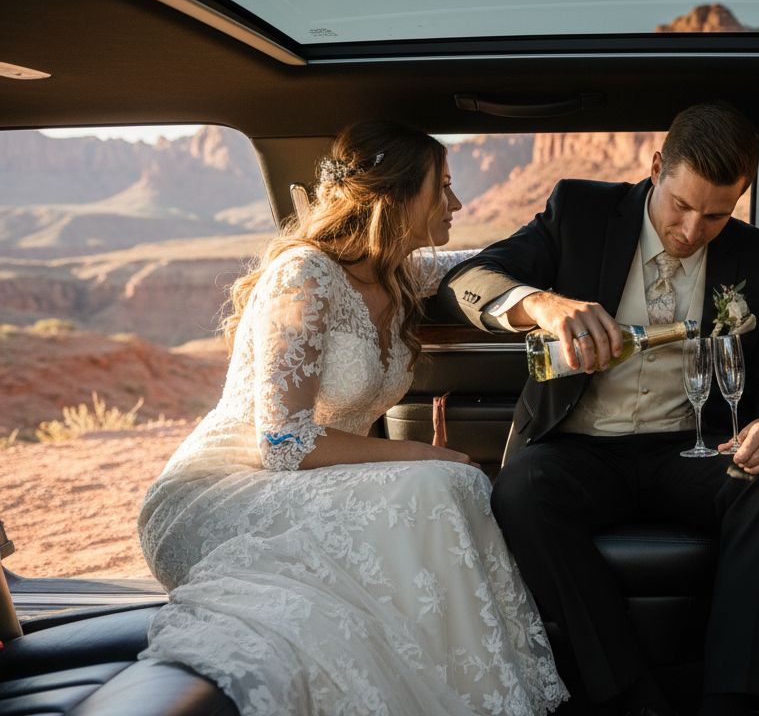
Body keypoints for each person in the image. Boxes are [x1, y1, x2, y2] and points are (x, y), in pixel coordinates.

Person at [137, 120, 568, 716]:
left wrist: (549, 292)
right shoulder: (304, 275)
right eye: (442, 187)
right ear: (396, 196)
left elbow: (490, 265)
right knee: (444, 482)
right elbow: (284, 442)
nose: (457, 203)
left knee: (446, 486)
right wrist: (423, 454)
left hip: (308, 483)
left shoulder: (403, 274)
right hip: (224, 490)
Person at [443, 102, 759, 716]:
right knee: (522, 489)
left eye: (716, 215)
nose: (691, 230)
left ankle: (733, 700)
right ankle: (630, 698)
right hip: (582, 448)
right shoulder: (579, 212)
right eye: (681, 205)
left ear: (740, 199)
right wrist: (543, 305)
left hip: (693, 447)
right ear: (657, 167)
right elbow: (469, 279)